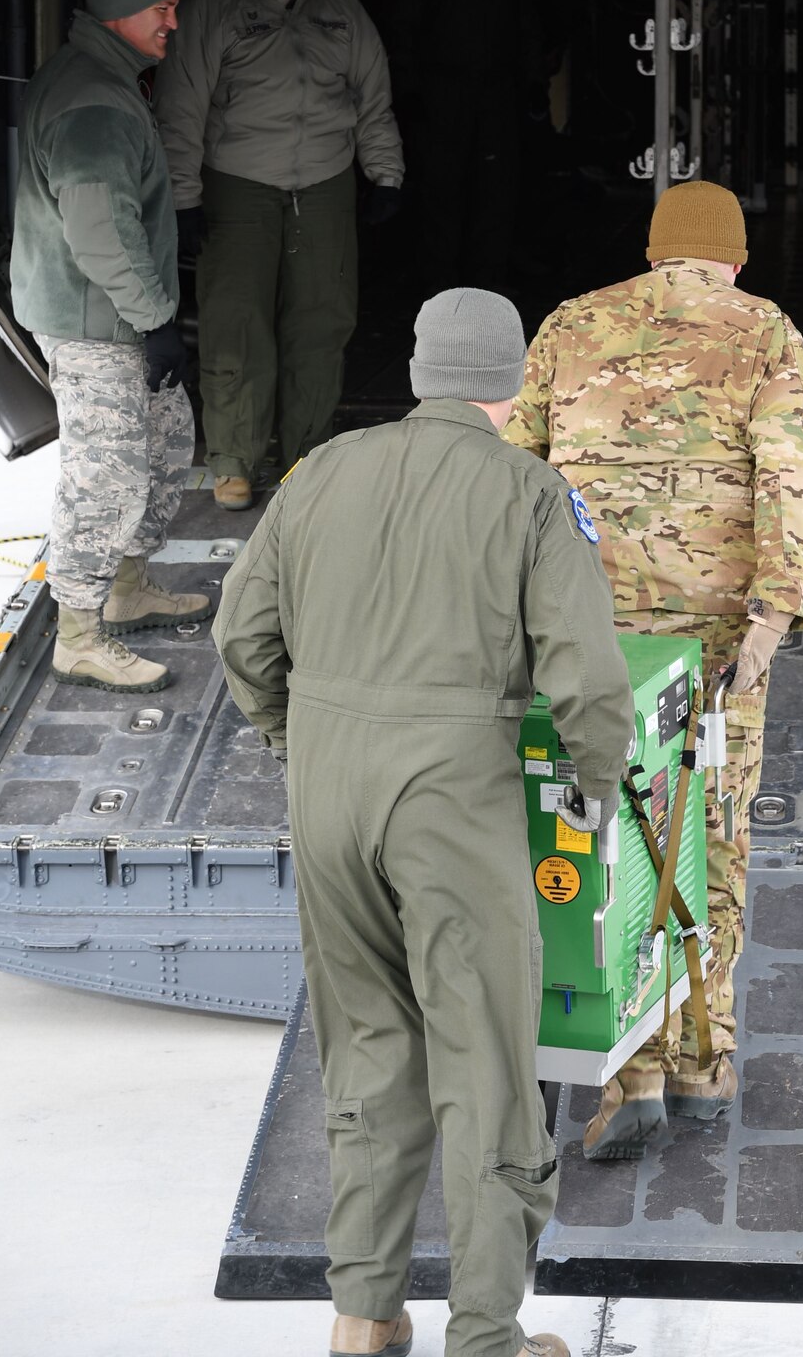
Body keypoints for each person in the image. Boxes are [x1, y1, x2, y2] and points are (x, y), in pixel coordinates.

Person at [214, 288, 633, 1357]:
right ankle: (486, 1333)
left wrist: (300, 739)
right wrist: (594, 788)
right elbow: (587, 675)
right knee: (485, 1062)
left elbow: (240, 636)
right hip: (452, 793)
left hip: (329, 785)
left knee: (362, 1051)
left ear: (415, 372)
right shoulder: (531, 491)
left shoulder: (321, 471)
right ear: (515, 380)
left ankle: (363, 1315)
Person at [506, 179, 803, 1158]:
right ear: (734, 258)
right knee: (711, 832)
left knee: (609, 830)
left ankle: (630, 1059)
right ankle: (700, 1057)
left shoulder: (570, 323)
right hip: (716, 642)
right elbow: (787, 475)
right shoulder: (767, 332)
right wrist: (774, 614)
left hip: (585, 635)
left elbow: (512, 469)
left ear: (653, 252)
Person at [154, 0, 404, 514]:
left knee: (322, 319)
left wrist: (386, 174)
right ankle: (234, 459)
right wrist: (183, 198)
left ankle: (306, 455)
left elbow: (373, 97)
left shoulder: (341, 10)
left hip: (323, 184)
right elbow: (182, 109)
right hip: (238, 184)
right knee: (236, 320)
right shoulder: (214, 9)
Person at [10, 0, 211, 693]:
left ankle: (127, 590)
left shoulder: (107, 78)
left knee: (165, 446)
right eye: (162, 8)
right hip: (100, 324)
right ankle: (80, 636)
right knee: (104, 477)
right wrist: (156, 318)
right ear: (122, 11)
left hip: (118, 314)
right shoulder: (91, 100)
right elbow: (99, 225)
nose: (174, 20)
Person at [390, 0, 539, 294]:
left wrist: (533, 86)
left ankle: (489, 281)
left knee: (496, 192)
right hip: (442, 99)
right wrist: (409, 94)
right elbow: (404, 34)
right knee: (442, 191)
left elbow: (526, 32)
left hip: (496, 99)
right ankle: (440, 283)